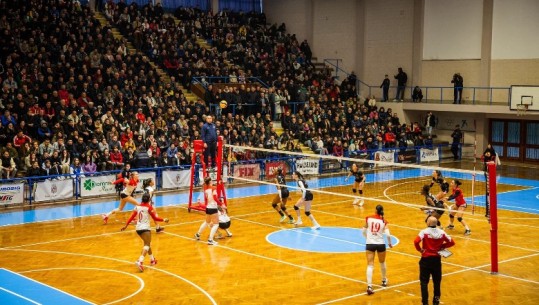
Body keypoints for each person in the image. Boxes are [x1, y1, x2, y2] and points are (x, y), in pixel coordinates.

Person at [121, 193, 169, 272]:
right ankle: (140, 261)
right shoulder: (149, 208)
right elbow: (155, 218)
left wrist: (126, 225)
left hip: (138, 229)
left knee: (147, 243)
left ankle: (152, 260)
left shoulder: (137, 206)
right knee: (147, 244)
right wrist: (164, 220)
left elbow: (132, 217)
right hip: (145, 228)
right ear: (149, 200)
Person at [414, 216, 455, 305]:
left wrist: (420, 250)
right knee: (437, 282)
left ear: (428, 223)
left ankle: (425, 302)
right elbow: (452, 242)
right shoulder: (442, 233)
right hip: (436, 260)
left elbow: (416, 241)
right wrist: (442, 246)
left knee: (424, 282)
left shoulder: (424, 232)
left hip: (426, 260)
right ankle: (436, 301)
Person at [363, 204, 392, 295]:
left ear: (375, 210)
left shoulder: (369, 218)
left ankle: (369, 286)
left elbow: (363, 230)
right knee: (382, 262)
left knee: (370, 265)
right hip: (380, 244)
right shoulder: (384, 221)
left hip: (370, 244)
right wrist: (390, 243)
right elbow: (387, 235)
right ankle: (383, 280)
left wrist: (367, 238)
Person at [195, 176, 223, 245]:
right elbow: (215, 198)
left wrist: (218, 183)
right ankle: (210, 240)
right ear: (210, 181)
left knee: (206, 222)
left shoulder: (205, 188)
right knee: (216, 224)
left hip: (208, 208)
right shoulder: (213, 188)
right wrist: (221, 204)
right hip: (213, 208)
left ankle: (198, 234)